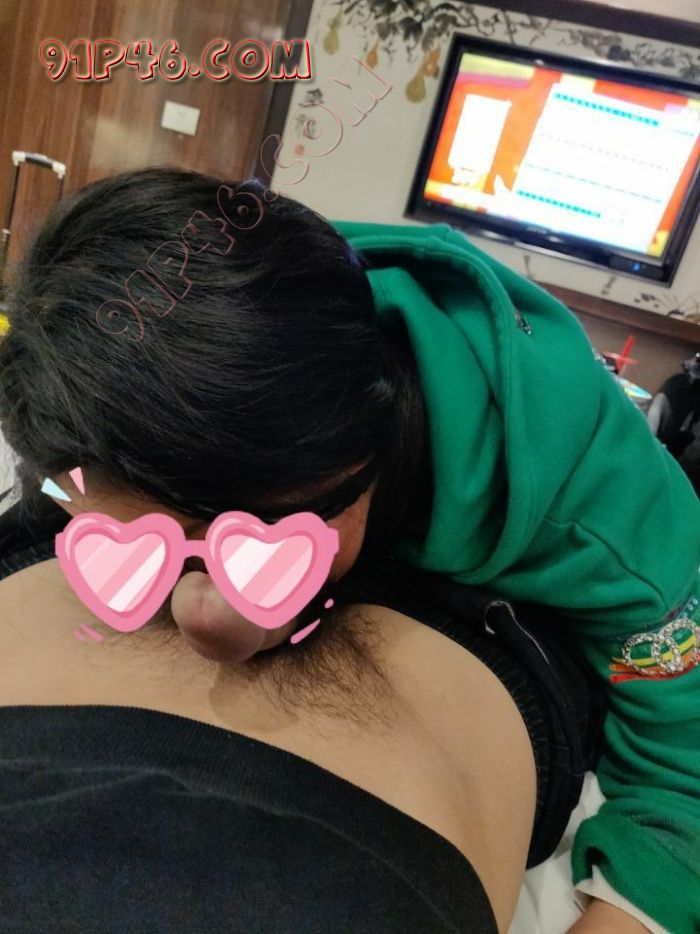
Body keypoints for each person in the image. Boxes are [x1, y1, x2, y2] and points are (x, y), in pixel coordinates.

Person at [0, 167, 697, 933]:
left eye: (251, 553)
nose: (204, 613)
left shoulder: (604, 520)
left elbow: (685, 781)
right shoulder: (173, 354)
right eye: (147, 554)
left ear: (364, 463)